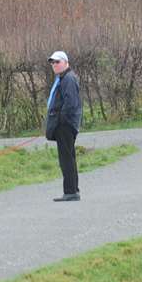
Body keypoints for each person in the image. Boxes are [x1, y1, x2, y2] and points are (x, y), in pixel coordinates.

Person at [44, 50, 83, 201]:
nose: (54, 65)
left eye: (57, 62)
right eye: (52, 63)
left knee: (66, 158)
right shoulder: (62, 78)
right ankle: (72, 190)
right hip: (63, 124)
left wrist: (60, 120)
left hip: (65, 125)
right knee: (68, 157)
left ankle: (70, 191)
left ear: (66, 63)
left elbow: (71, 103)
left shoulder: (68, 79)